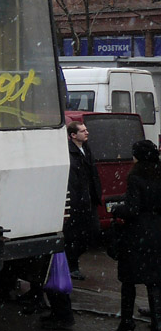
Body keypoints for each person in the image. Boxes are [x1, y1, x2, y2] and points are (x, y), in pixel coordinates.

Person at [107, 139, 161, 331]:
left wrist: (116, 210)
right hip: (158, 231)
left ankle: (126, 322)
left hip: (138, 234)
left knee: (128, 279)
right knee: (155, 280)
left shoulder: (136, 176)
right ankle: (157, 326)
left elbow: (132, 209)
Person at [64, 120, 102, 281]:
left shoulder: (86, 148)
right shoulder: (69, 152)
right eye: (83, 131)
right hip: (77, 202)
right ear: (73, 135)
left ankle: (71, 263)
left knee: (92, 233)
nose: (87, 133)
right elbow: (73, 180)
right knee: (74, 236)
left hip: (89, 200)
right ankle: (71, 266)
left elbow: (92, 174)